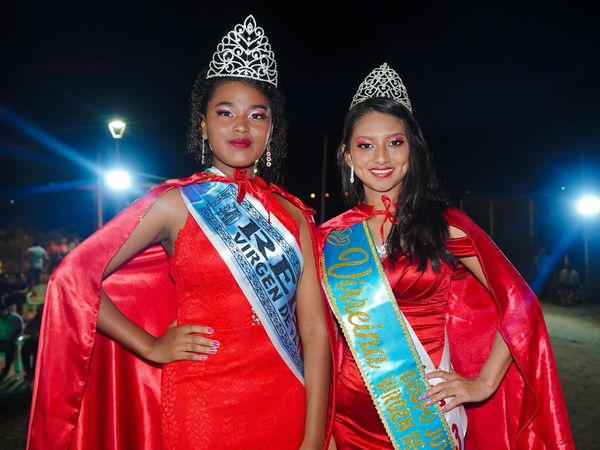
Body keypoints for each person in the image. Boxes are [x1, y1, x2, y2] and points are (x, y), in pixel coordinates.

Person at [28, 15, 331, 450]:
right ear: (203, 124)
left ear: (271, 129)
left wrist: (314, 437)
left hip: (286, 399)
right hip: (201, 404)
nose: (241, 126)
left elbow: (315, 331)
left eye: (256, 115)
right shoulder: (176, 204)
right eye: (225, 113)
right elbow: (72, 277)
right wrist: (151, 346)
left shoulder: (295, 215)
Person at [318, 64, 573, 449]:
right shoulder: (328, 238)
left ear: (413, 149)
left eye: (395, 142)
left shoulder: (444, 225)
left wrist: (483, 383)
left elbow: (521, 303)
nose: (381, 156)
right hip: (346, 418)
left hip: (424, 418)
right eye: (365, 145)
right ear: (348, 156)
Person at [0, 300, 24, 381]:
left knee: (11, 350)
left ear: (5, 310)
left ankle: (9, 371)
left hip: (12, 340)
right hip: (1, 340)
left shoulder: (16, 318)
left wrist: (9, 340)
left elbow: (19, 332)